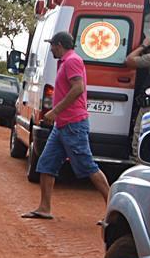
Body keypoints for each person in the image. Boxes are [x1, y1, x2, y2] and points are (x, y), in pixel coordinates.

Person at [23, 31, 111, 220]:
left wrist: (55, 111)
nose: (51, 48)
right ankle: (44, 208)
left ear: (60, 45)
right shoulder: (65, 61)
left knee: (88, 166)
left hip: (73, 125)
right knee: (46, 164)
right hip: (62, 125)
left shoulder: (72, 61)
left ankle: (113, 212)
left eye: (52, 45)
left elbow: (78, 88)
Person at [124, 34, 150, 159]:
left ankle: (140, 167)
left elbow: (129, 60)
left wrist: (144, 45)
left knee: (140, 137)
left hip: (149, 106)